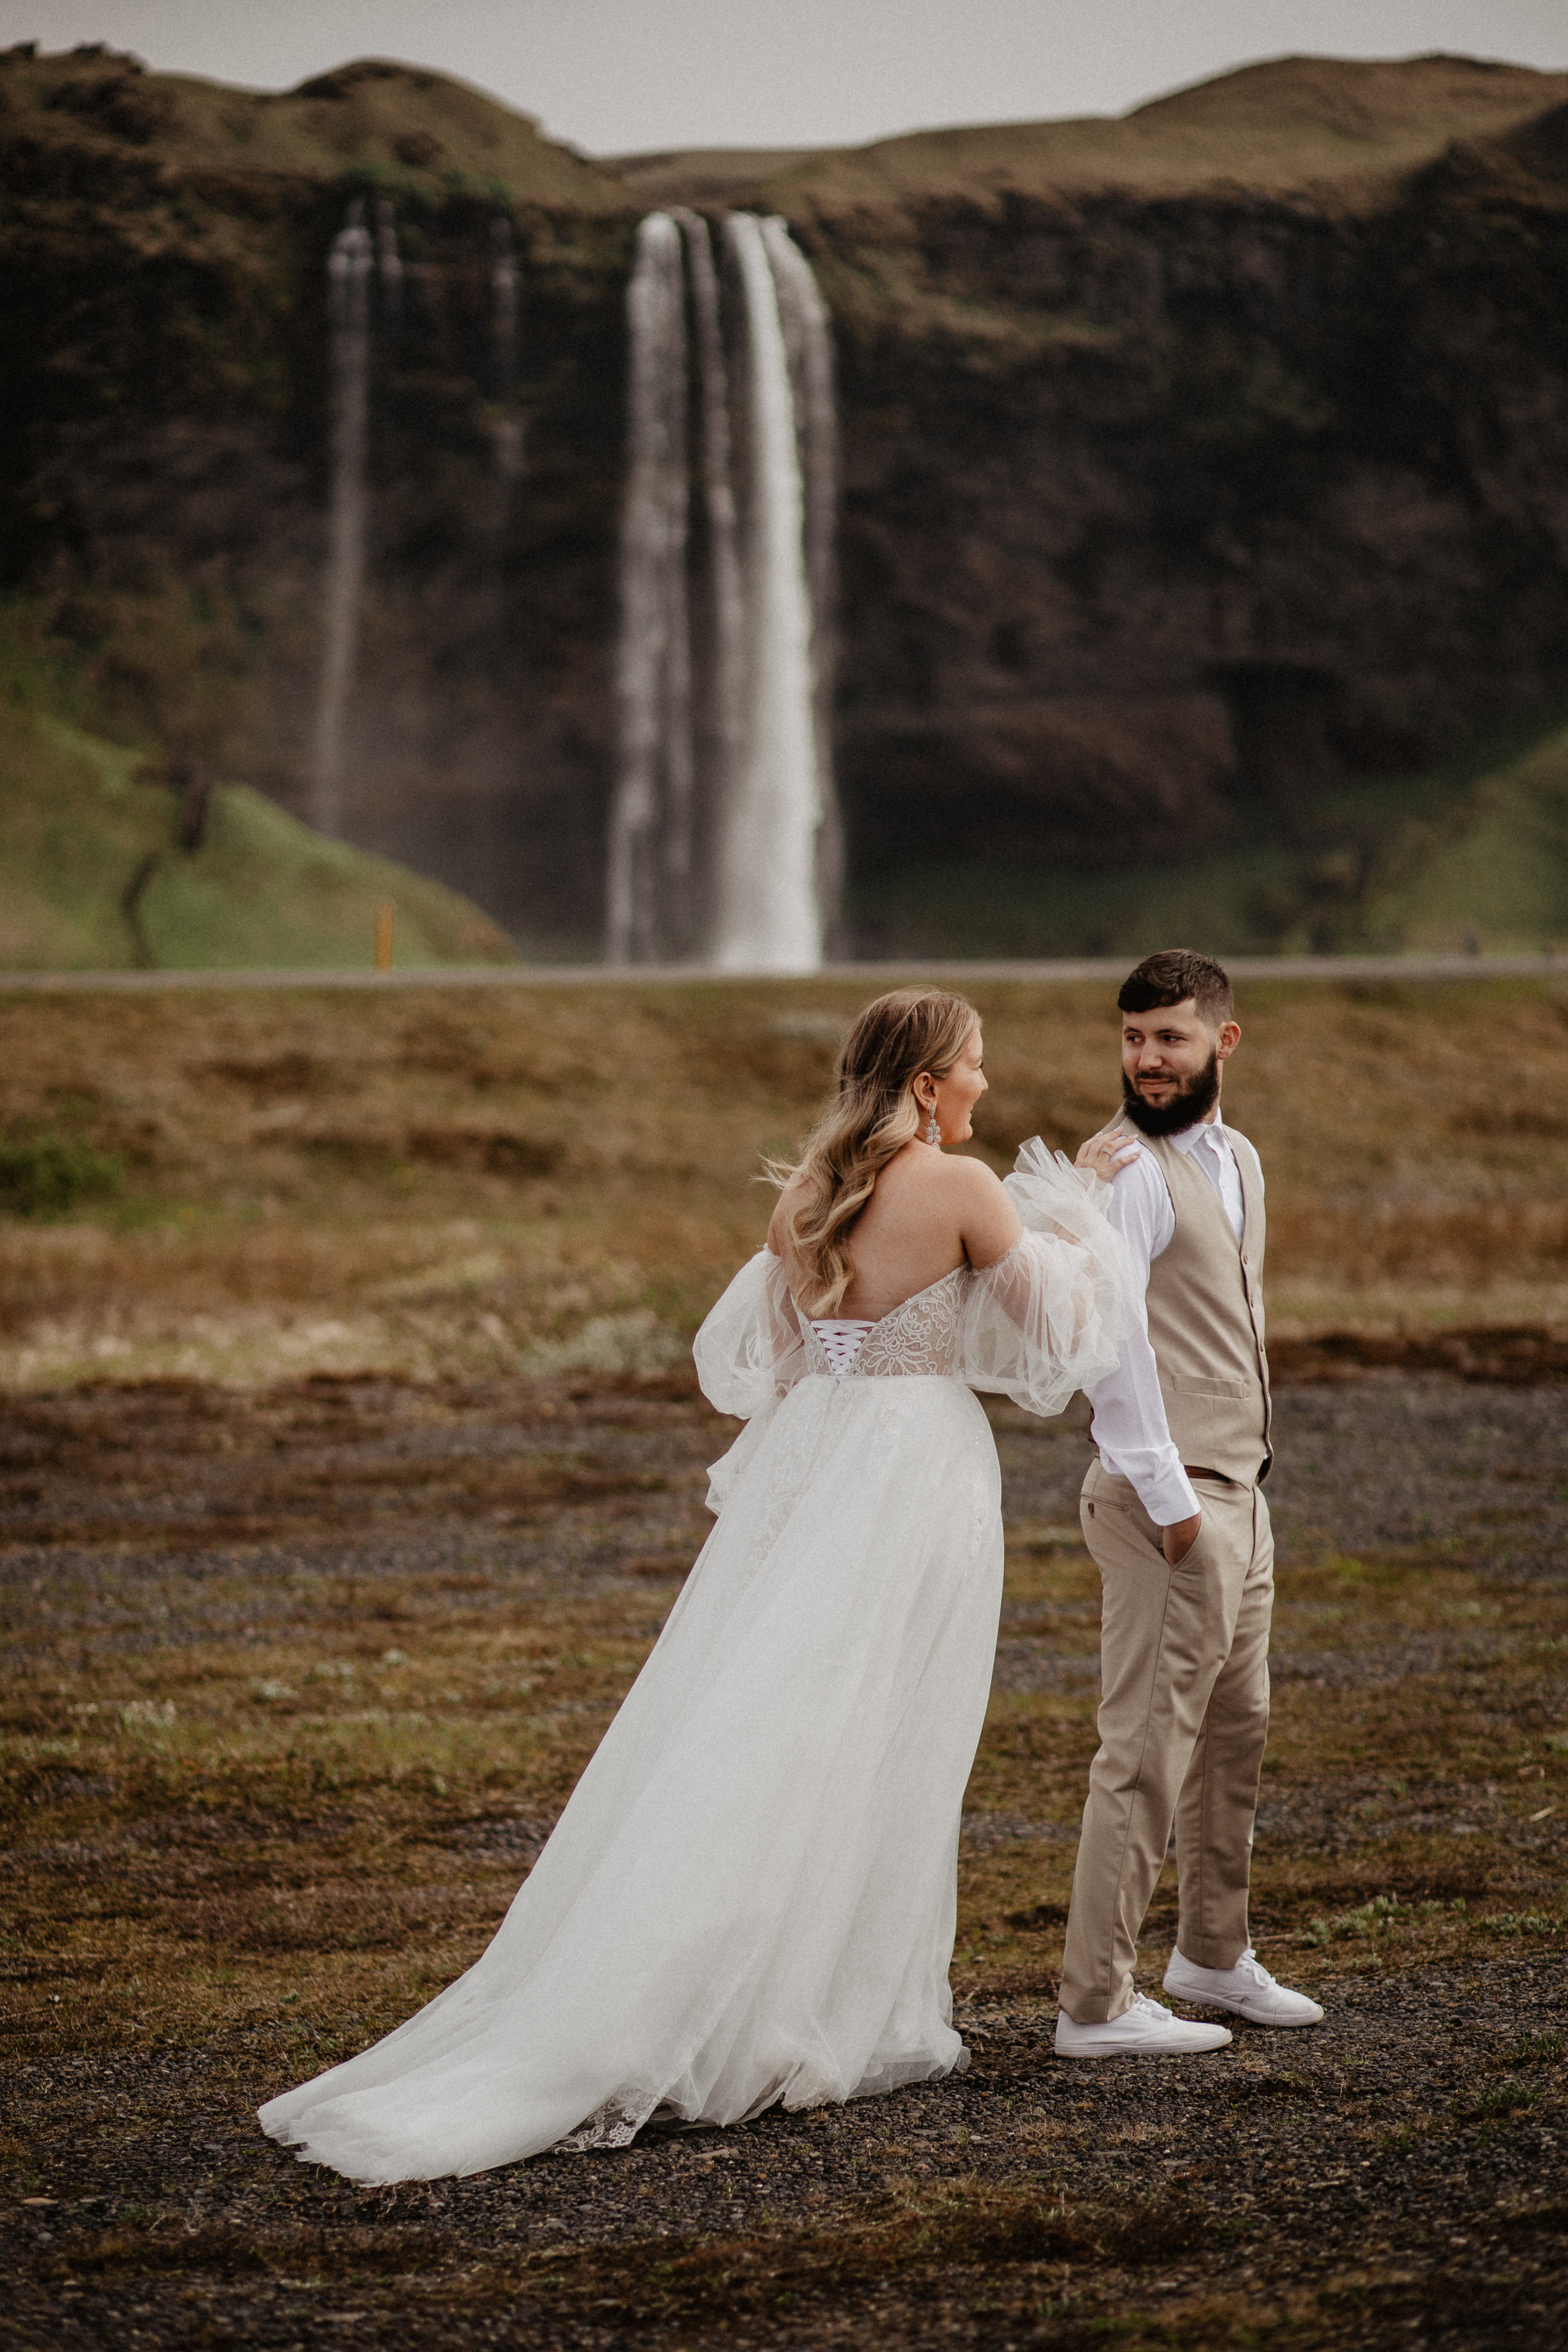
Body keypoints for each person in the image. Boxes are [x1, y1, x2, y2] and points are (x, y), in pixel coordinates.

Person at [259, 987, 1139, 2184]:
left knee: (773, 1714)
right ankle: (822, 2011)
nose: (986, 1083)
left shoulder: (809, 1194)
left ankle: (754, 1988)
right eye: (975, 1065)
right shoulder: (959, 1188)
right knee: (881, 1727)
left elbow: (784, 1358)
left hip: (824, 1457)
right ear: (927, 1083)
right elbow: (1057, 1335)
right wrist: (1085, 1207)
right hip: (914, 1466)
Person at [1050, 949, 1323, 2057]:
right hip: (1169, 1502)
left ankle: (1211, 1953)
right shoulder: (1129, 1175)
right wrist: (1171, 1505)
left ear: (1224, 1041)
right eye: (1131, 1038)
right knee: (1145, 1750)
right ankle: (1094, 2004)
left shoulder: (1241, 1159)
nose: (1147, 1060)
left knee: (1234, 1736)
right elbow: (1111, 1351)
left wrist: (1233, 1495)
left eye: (1168, 1037)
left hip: (1240, 1493)